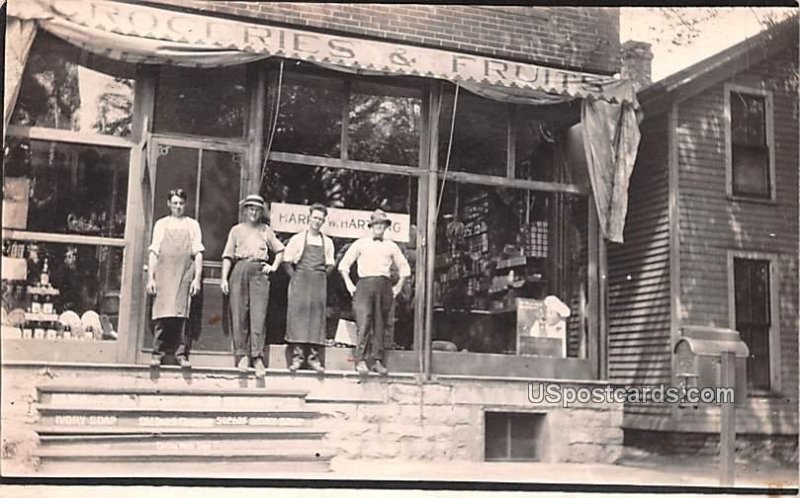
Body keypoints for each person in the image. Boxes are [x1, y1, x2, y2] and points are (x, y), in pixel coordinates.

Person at [338, 209, 410, 376]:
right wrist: (350, 285)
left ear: (386, 227)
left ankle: (377, 361)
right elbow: (343, 265)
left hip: (384, 286)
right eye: (376, 224)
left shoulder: (391, 245)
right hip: (364, 286)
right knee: (363, 323)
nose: (379, 227)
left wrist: (398, 287)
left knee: (380, 325)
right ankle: (360, 360)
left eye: (382, 224)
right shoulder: (361, 243)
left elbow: (404, 268)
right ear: (371, 226)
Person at [220, 194, 284, 378]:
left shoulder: (265, 230)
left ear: (261, 212)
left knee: (259, 315)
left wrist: (273, 267)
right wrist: (224, 278)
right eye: (250, 208)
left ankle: (257, 357)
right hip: (239, 269)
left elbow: (280, 250)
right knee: (239, 314)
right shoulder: (236, 230)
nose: (253, 212)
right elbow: (227, 256)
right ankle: (242, 356)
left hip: (259, 272)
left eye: (257, 209)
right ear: (245, 210)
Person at [147, 188, 204, 368]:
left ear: (185, 204)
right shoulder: (161, 224)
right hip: (164, 275)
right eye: (175, 203)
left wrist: (197, 278)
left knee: (182, 315)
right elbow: (154, 252)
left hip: (184, 274)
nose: (178, 207)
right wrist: (151, 278)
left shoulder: (192, 225)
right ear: (169, 204)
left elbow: (198, 253)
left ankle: (181, 354)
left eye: (181, 203)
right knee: (162, 314)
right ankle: (157, 353)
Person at [282, 203, 335, 373]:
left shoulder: (327, 242)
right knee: (298, 318)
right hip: (300, 281)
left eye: (321, 219)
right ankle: (297, 358)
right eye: (315, 218)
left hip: (318, 283)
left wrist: (319, 277)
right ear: (309, 218)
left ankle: (313, 359)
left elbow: (330, 264)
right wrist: (296, 278)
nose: (317, 221)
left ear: (324, 221)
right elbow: (287, 261)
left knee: (316, 320)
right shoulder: (297, 239)